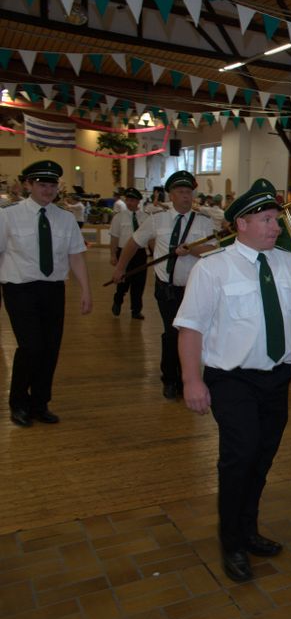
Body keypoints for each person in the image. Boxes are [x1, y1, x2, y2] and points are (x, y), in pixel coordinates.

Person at [175, 178, 291, 583]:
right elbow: (191, 328)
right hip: (232, 380)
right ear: (241, 224)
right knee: (240, 455)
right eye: (266, 220)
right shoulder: (213, 269)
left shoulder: (289, 264)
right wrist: (192, 381)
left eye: (276, 220)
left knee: (262, 457)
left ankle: (248, 529)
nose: (275, 227)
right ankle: (231, 543)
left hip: (277, 378)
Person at [0, 161, 92, 427]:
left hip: (53, 289)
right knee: (31, 346)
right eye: (42, 185)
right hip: (19, 288)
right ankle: (19, 403)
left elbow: (76, 256)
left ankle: (40, 404)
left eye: (52, 185)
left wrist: (86, 290)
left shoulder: (66, 218)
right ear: (28, 185)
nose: (48, 190)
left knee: (50, 348)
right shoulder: (8, 215)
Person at [112, 171, 215, 400]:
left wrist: (192, 249)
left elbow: (213, 250)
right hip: (166, 288)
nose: (186, 196)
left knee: (191, 333)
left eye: (189, 192)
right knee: (172, 333)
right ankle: (170, 379)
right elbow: (133, 243)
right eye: (181, 192)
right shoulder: (157, 219)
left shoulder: (204, 221)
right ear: (171, 195)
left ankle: (188, 378)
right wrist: (120, 267)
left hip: (194, 290)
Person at [109, 187, 149, 320]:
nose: (129, 202)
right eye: (127, 200)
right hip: (123, 252)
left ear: (138, 201)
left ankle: (136, 310)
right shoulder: (119, 217)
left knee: (139, 283)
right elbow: (114, 237)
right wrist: (113, 255)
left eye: (132, 200)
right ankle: (118, 301)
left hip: (140, 253)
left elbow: (151, 238)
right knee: (123, 282)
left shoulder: (146, 217)